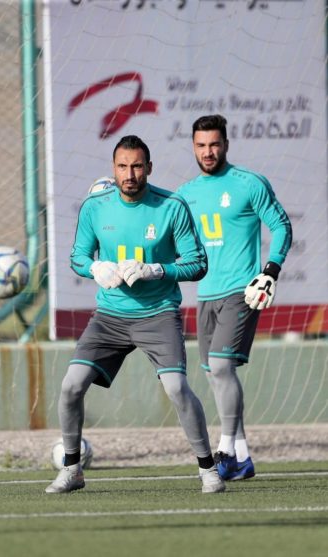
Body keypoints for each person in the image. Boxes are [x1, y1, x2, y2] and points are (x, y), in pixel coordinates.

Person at [46, 135, 225, 495]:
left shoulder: (171, 206)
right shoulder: (95, 207)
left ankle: (208, 469)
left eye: (137, 166)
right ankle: (72, 469)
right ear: (113, 169)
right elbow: (78, 256)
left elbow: (198, 263)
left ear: (149, 168)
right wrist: (95, 268)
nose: (130, 174)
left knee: (177, 388)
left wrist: (156, 270)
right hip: (109, 317)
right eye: (123, 166)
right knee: (70, 386)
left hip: (158, 314)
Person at [177, 114, 292, 481]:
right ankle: (241, 457)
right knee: (214, 374)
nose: (208, 151)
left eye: (214, 144)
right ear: (193, 147)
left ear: (226, 144)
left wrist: (270, 271)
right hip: (205, 293)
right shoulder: (185, 194)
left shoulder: (249, 183)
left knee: (222, 367)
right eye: (201, 145)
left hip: (242, 290)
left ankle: (225, 450)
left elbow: (281, 226)